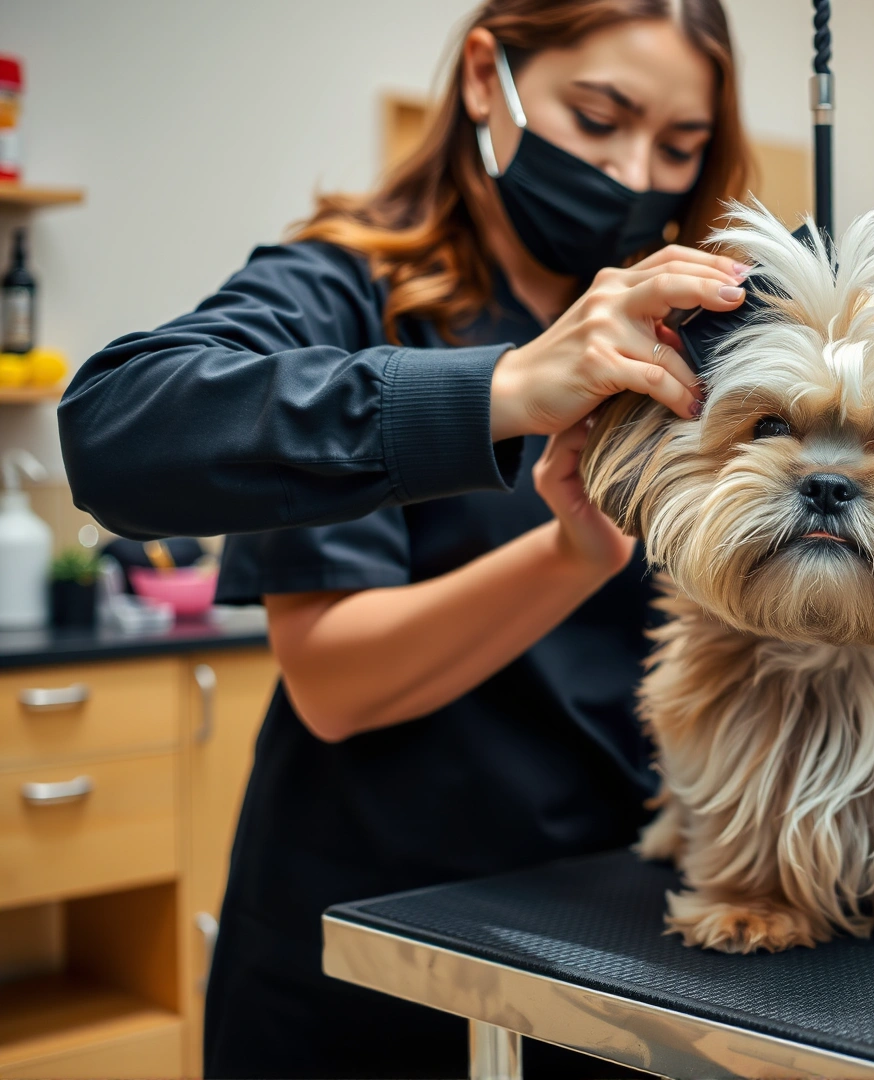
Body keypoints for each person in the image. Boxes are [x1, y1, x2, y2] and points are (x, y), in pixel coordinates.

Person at [60, 1, 753, 1075]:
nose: (631, 175)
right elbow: (122, 435)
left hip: (621, 938)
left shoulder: (689, 332)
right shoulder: (348, 292)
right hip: (376, 945)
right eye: (597, 117)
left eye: (678, 146)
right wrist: (511, 403)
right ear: (487, 76)